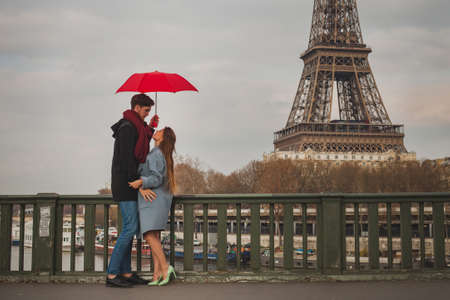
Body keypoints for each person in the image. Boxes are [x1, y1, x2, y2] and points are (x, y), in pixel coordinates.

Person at [107, 93, 159, 288]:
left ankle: (126, 272)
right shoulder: (128, 128)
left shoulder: (133, 125)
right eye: (146, 111)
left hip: (129, 182)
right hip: (126, 183)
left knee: (131, 228)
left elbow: (142, 140)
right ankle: (112, 275)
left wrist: (151, 126)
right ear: (137, 107)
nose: (147, 114)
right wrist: (138, 183)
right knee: (130, 228)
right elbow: (127, 160)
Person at [128, 127, 177, 286]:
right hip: (161, 199)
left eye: (160, 130)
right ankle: (157, 276)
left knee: (149, 235)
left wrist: (141, 182)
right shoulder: (163, 154)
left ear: (163, 137)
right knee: (154, 237)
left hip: (153, 199)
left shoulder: (156, 153)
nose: (157, 130)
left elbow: (156, 178)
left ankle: (165, 267)